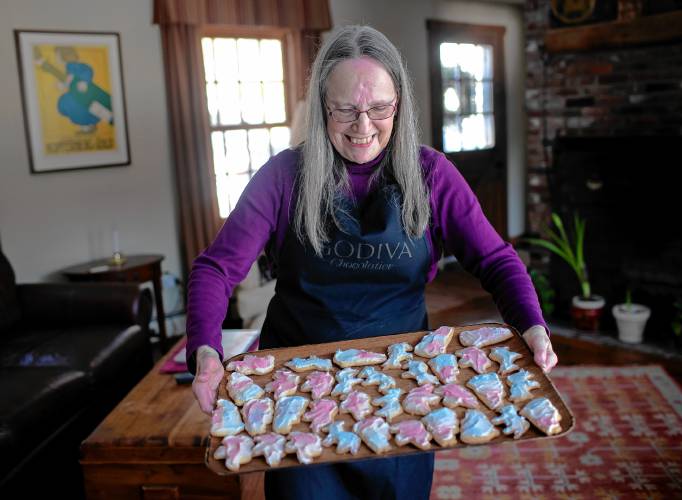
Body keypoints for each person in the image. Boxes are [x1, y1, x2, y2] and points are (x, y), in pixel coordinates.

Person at [187, 24, 558, 500]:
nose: (364, 126)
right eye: (346, 109)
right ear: (323, 107)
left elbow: (496, 259)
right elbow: (216, 268)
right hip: (298, 390)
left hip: (405, 384)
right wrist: (206, 350)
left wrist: (532, 326)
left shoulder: (432, 175)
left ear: (398, 105)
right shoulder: (283, 176)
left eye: (379, 108)